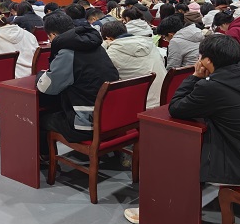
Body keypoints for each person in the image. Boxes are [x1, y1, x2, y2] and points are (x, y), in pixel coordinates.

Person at [169, 35, 240, 185]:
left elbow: (175, 107)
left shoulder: (213, 87)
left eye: (200, 56)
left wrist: (195, 76)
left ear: (207, 61)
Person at [36, 11, 119, 153]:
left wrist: (40, 75)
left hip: (86, 124)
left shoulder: (68, 52)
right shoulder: (96, 45)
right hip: (110, 116)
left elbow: (47, 87)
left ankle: (45, 159)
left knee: (39, 119)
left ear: (53, 35)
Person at [101, 21, 166, 109]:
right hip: (165, 97)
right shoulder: (149, 43)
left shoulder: (112, 53)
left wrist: (104, 45)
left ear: (108, 38)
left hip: (142, 105)